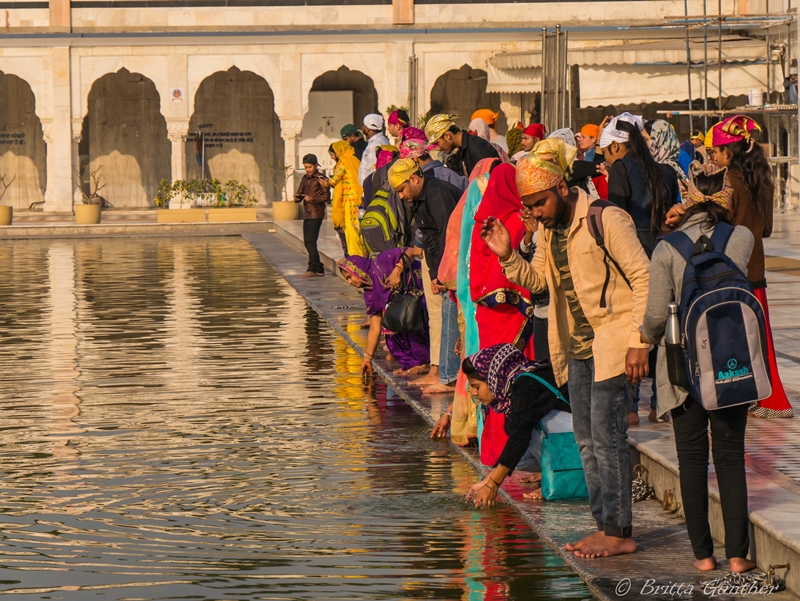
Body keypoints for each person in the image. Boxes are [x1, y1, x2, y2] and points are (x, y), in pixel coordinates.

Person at [479, 138, 650, 558]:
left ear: (560, 188)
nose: (534, 213)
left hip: (612, 345)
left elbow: (644, 278)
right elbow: (538, 284)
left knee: (608, 439)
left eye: (538, 203)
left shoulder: (605, 218)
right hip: (574, 349)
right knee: (586, 439)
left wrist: (639, 342)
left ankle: (620, 532)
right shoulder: (549, 233)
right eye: (529, 206)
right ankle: (603, 525)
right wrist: (506, 255)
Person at [641, 184, 756, 574]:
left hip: (680, 369)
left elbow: (657, 317)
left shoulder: (665, 247)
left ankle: (704, 556)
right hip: (729, 364)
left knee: (692, 461)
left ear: (685, 212)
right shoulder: (741, 237)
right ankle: (739, 556)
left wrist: (644, 336)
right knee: (730, 458)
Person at [709, 116, 793, 419]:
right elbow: (767, 229)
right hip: (757, 269)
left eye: (716, 152)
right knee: (761, 336)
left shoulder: (729, 179)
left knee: (733, 336)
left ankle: (757, 399)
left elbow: (721, 222)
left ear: (729, 152)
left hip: (733, 268)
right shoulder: (762, 178)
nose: (714, 158)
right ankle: (768, 398)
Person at [430, 158, 499, 446]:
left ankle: (469, 422)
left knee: (473, 353)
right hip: (480, 296)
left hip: (471, 295)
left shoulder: (471, 207)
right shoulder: (486, 204)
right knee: (479, 354)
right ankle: (477, 423)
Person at [463, 344, 573, 508]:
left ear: (492, 378)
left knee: (527, 433)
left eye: (476, 386)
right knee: (517, 459)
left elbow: (519, 439)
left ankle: (564, 477)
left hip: (584, 439)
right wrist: (485, 481)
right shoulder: (514, 385)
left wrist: (493, 484)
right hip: (572, 437)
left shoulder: (524, 386)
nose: (473, 393)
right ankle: (551, 471)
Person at [389, 158, 463, 395]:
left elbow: (447, 237)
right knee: (442, 316)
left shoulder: (437, 194)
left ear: (414, 179)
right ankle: (443, 372)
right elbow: (430, 238)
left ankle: (450, 377)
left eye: (402, 189)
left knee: (450, 317)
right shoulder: (422, 195)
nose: (401, 196)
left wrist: (443, 273)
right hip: (439, 263)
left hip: (452, 264)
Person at [338, 246, 431, 377]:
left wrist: (397, 271)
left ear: (357, 269)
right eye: (347, 279)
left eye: (350, 277)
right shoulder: (370, 294)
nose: (350, 282)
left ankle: (422, 363)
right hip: (403, 305)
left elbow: (411, 251)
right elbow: (375, 328)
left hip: (420, 292)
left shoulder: (380, 263)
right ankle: (410, 364)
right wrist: (367, 360)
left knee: (411, 320)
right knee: (390, 330)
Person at [600, 113, 677, 257]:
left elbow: (616, 220)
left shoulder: (620, 168)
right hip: (667, 249)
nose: (606, 160)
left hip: (636, 251)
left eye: (605, 152)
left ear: (615, 146)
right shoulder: (667, 170)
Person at [425, 114, 500, 177]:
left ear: (447, 135)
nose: (438, 148)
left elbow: (489, 183)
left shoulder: (476, 148)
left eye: (437, 143)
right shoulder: (465, 148)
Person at [327, 140, 366, 257]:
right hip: (358, 198)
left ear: (338, 151)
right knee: (358, 228)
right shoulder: (355, 159)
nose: (332, 157)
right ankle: (362, 255)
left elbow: (334, 180)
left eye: (332, 154)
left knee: (350, 229)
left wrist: (325, 182)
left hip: (349, 199)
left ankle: (355, 257)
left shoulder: (344, 160)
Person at [294, 153, 330, 277]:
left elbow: (326, 197)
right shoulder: (305, 178)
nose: (308, 170)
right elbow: (301, 192)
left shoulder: (321, 178)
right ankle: (318, 267)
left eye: (310, 167)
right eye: (306, 167)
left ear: (316, 165)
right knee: (307, 241)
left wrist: (312, 198)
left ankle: (312, 268)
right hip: (308, 213)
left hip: (317, 213)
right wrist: (297, 198)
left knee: (310, 241)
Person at [646, 119, 688, 204]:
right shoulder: (674, 166)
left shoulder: (662, 170)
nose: (643, 144)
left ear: (658, 139)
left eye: (646, 140)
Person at [359, 114, 391, 186]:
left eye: (364, 125)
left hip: (372, 187)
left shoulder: (375, 144)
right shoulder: (382, 140)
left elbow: (373, 169)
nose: (363, 127)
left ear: (367, 128)